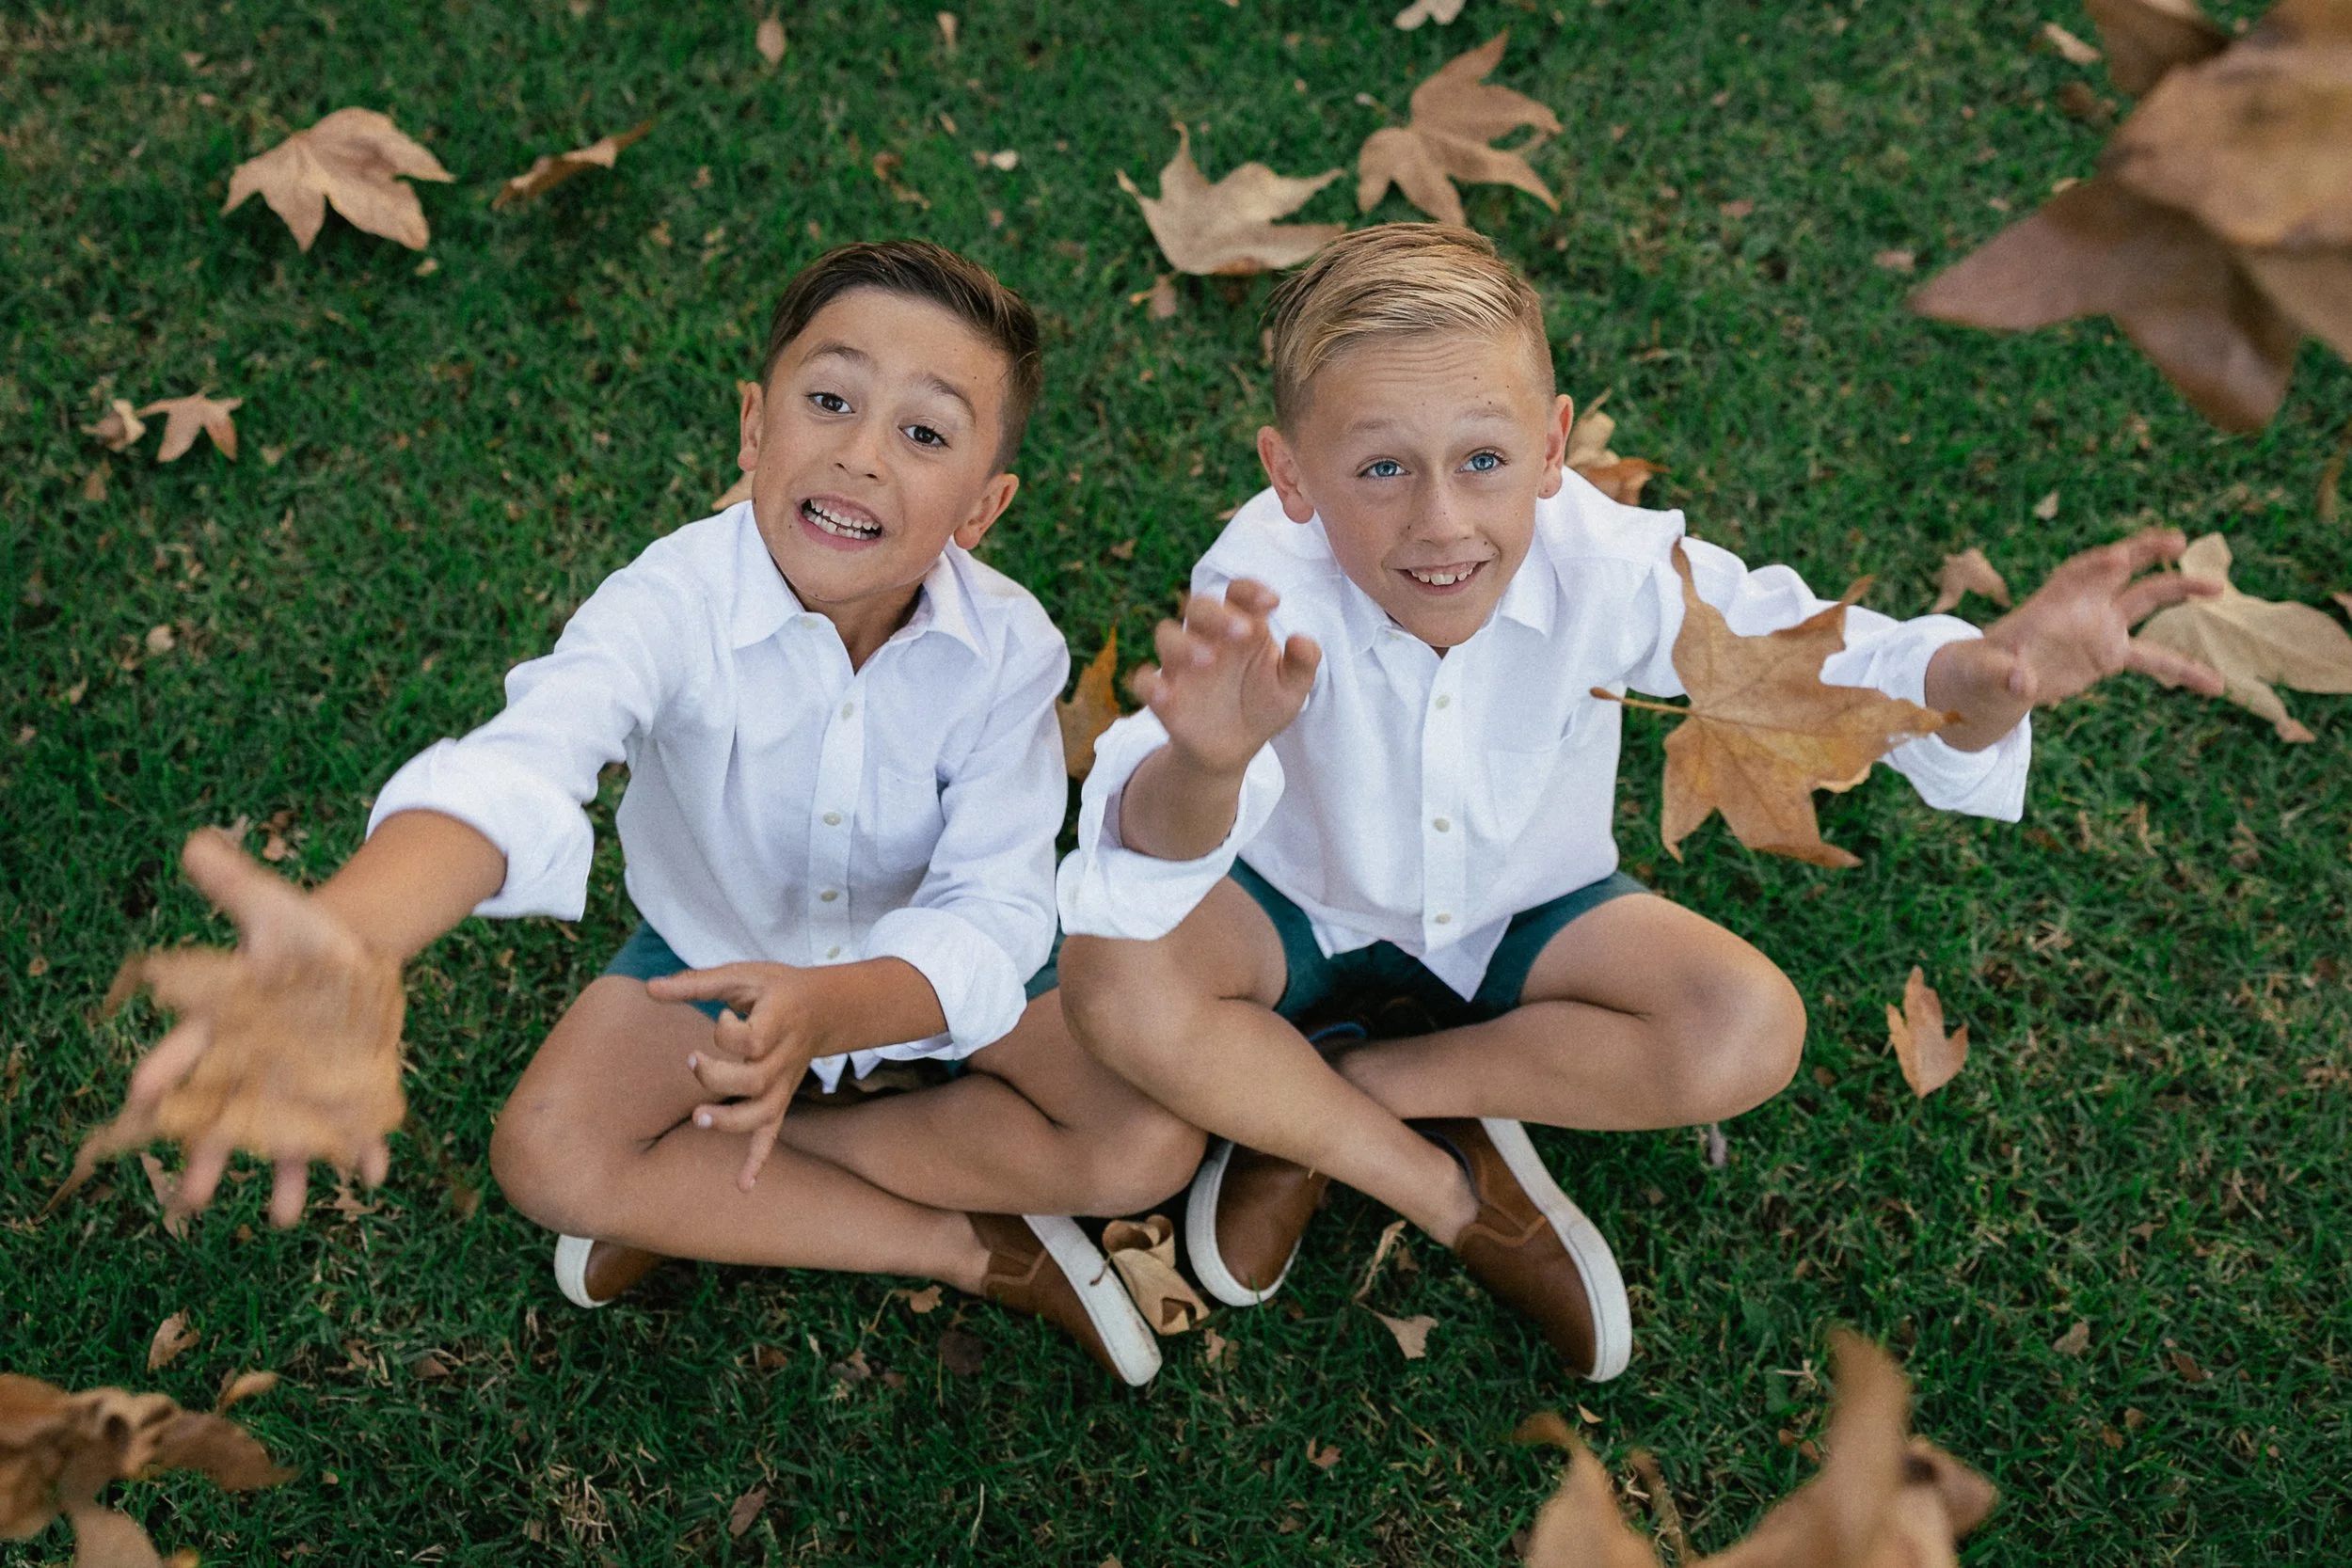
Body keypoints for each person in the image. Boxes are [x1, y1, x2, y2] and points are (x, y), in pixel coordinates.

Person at [1051, 223, 2223, 1382]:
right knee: (1116, 967)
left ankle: (1354, 1094)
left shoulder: (1607, 563)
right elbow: (1151, 846)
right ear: (1290, 475)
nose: (1441, 523)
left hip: (1526, 905)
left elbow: (1792, 652)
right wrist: (1205, 759)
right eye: (1379, 469)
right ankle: (1426, 1183)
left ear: (1552, 445)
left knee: (1745, 1025)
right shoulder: (1259, 581)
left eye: (1483, 460)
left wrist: (1966, 681)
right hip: (1296, 904)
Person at [106, 242, 1203, 1386]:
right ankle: (969, 1246)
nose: (860, 453)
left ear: (982, 506)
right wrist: (352, 935)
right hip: (711, 959)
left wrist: (828, 1014)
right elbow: (523, 764)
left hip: (914, 968)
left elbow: (995, 908)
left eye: (923, 433)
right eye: (828, 401)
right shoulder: (668, 602)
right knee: (548, 1155)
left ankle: (707, 1176)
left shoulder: (1010, 647)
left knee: (1147, 1141)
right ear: (752, 428)